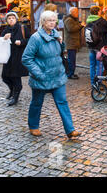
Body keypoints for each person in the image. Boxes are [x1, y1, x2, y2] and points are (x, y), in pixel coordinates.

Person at [21, 10, 80, 138]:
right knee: (37, 103)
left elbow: (58, 52)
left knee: (62, 102)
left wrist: (61, 43)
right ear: (43, 22)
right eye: (49, 20)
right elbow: (26, 58)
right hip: (41, 77)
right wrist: (39, 74)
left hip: (57, 76)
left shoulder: (56, 35)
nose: (53, 23)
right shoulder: (36, 38)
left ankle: (70, 130)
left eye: (54, 20)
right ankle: (33, 126)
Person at [0, 12, 30, 106]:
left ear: (16, 19)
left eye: (13, 18)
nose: (11, 19)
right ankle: (12, 89)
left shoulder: (22, 28)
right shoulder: (6, 30)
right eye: (9, 18)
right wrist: (4, 38)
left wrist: (21, 42)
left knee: (16, 77)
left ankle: (15, 97)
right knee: (5, 76)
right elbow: (0, 41)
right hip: (8, 57)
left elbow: (30, 39)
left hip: (18, 56)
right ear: (7, 21)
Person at [86, 5, 107, 85]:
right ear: (98, 12)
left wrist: (102, 13)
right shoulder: (101, 21)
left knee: (92, 65)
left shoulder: (88, 20)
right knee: (99, 66)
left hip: (91, 46)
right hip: (99, 47)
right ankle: (98, 83)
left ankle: (93, 83)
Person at [63, 7, 84, 79]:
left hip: (73, 43)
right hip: (71, 43)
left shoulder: (72, 19)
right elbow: (71, 29)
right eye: (76, 12)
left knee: (72, 59)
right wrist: (81, 25)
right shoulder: (69, 20)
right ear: (72, 12)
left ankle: (72, 73)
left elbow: (75, 27)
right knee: (71, 60)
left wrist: (80, 25)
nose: (78, 14)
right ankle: (70, 74)